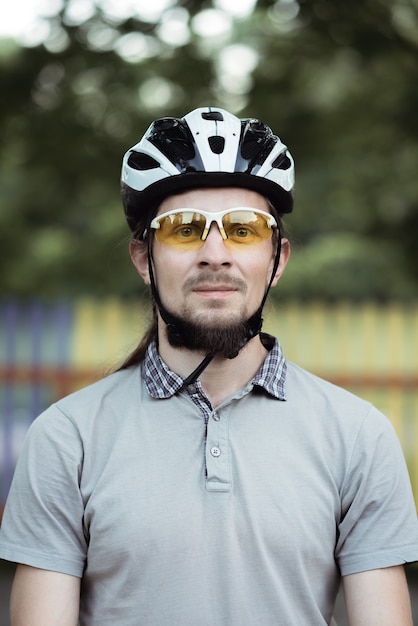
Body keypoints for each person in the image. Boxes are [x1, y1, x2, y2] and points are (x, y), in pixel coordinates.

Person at [0, 106, 417, 626]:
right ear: (142, 259)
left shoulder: (359, 436)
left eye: (243, 230)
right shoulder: (67, 438)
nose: (215, 254)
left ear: (278, 259)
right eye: (183, 229)